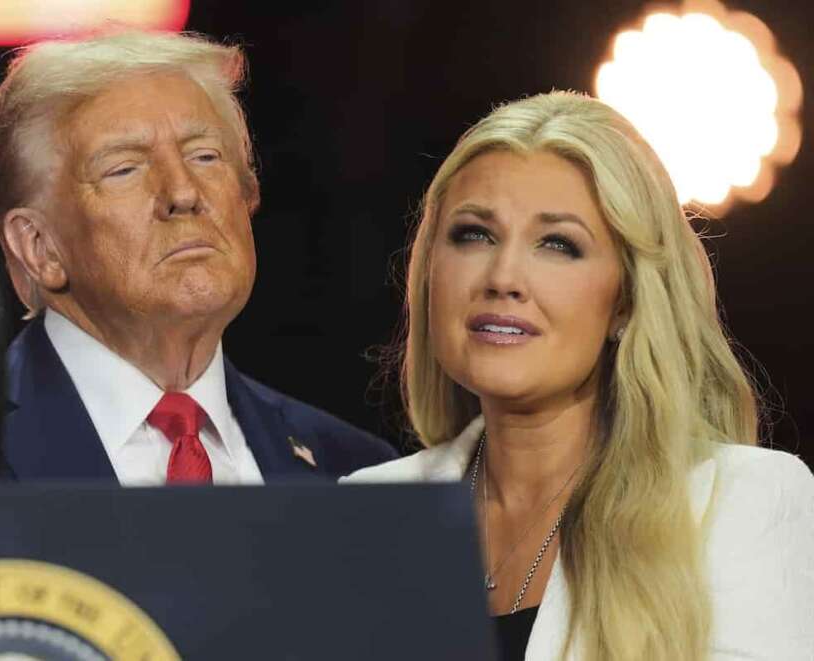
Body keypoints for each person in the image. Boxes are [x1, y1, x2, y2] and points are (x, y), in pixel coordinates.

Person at [344, 92, 814, 660]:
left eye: (558, 245)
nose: (503, 276)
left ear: (625, 302)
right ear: (429, 272)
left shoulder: (741, 501)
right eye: (475, 234)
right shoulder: (364, 511)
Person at [0, 30, 396, 483]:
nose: (183, 193)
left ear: (248, 197)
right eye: (124, 168)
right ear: (39, 247)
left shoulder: (353, 467)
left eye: (205, 156)